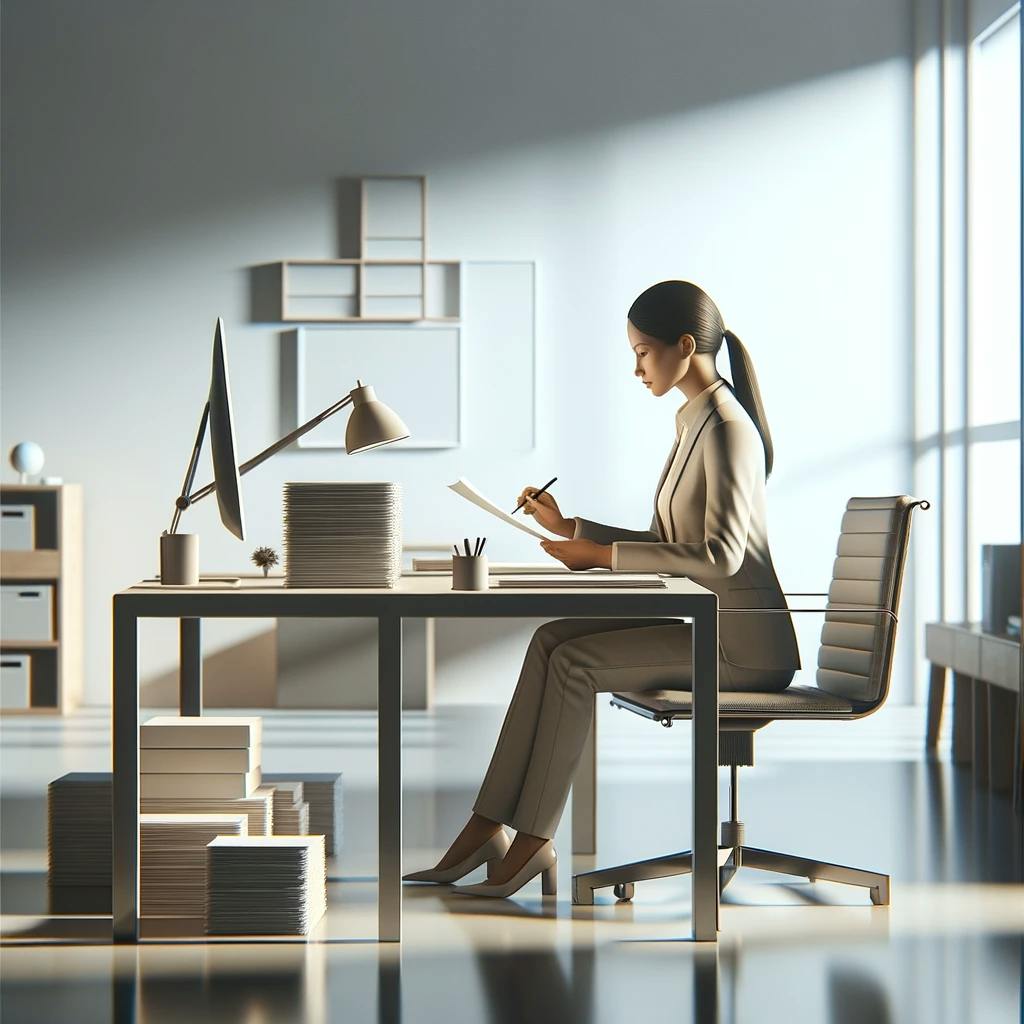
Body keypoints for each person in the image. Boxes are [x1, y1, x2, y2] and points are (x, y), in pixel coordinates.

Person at [403, 280, 801, 898]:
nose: (635, 367)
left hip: (744, 650)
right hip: (712, 630)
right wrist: (572, 529)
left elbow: (720, 557)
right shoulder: (694, 423)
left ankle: (531, 840)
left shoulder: (724, 428)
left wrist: (603, 556)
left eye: (643, 351)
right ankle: (488, 825)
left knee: (576, 663)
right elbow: (668, 537)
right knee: (552, 640)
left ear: (685, 346)